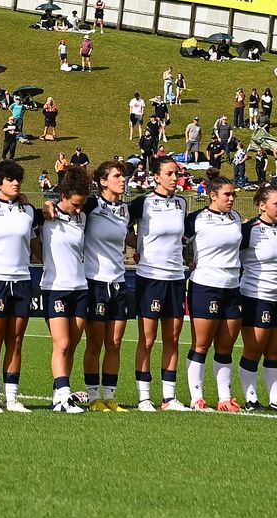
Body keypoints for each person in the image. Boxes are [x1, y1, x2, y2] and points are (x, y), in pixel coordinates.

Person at [129, 155, 190, 410]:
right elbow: (119, 226)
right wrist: (138, 246)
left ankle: (168, 398)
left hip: (176, 278)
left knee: (173, 339)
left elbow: (183, 238)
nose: (175, 178)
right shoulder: (142, 203)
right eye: (169, 174)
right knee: (147, 339)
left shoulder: (182, 203)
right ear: (156, 177)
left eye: (177, 174)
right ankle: (144, 397)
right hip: (150, 277)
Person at [0, 159, 38, 413]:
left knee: (16, 341)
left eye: (18, 179)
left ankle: (12, 398)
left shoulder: (29, 210)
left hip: (22, 281)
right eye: (10, 179)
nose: (15, 183)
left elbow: (37, 238)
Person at [185, 175, 243, 412]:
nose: (231, 199)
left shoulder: (236, 218)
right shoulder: (196, 219)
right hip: (205, 285)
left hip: (233, 287)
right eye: (227, 194)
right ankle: (196, 398)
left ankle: (225, 398)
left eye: (233, 194)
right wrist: (188, 259)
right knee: (201, 345)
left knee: (225, 347)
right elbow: (178, 243)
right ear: (213, 195)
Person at [39, 166, 91, 413]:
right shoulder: (46, 215)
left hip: (80, 287)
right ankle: (64, 399)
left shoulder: (83, 217)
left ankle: (59, 396)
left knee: (71, 346)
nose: (79, 209)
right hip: (55, 288)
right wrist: (45, 205)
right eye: (75, 204)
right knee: (61, 344)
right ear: (63, 196)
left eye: (82, 204)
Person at [80, 161, 131, 411]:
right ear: (102, 181)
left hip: (119, 282)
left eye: (124, 176)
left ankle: (110, 397)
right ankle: (93, 397)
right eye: (117, 176)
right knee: (95, 343)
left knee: (115, 343)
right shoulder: (90, 205)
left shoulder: (126, 209)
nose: (122, 180)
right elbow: (63, 206)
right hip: (95, 282)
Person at [237, 184, 277, 410]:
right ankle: (250, 398)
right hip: (255, 296)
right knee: (254, 349)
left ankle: (276, 398)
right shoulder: (249, 229)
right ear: (262, 205)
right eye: (276, 204)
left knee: (276, 351)